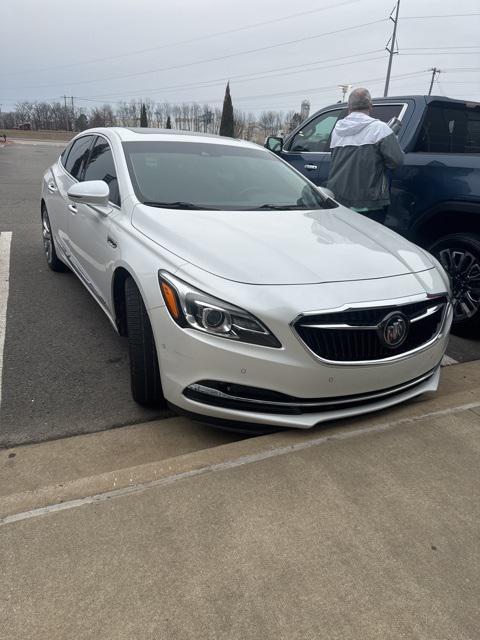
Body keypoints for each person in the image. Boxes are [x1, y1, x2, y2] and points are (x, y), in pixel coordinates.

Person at [327, 87, 404, 224]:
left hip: (338, 200)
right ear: (370, 106)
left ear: (348, 106)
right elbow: (397, 161)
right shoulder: (380, 129)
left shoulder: (337, 130)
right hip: (369, 204)